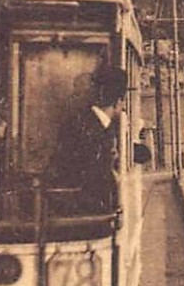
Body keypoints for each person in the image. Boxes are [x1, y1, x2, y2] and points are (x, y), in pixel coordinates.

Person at [46, 66, 129, 214]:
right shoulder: (96, 131)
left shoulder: (81, 122)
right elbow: (94, 179)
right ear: (118, 101)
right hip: (85, 215)